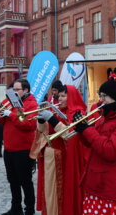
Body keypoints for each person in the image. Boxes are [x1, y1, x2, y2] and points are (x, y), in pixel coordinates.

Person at [74, 67, 116, 215]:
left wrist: (87, 130)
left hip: (108, 185)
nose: (101, 100)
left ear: (115, 97)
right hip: (95, 181)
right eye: (100, 95)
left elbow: (111, 151)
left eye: (104, 96)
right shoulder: (106, 117)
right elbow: (92, 144)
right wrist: (81, 130)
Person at [33, 85, 88, 215]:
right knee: (50, 191)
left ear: (72, 97)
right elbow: (43, 132)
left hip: (67, 160)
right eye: (59, 96)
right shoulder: (56, 110)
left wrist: (52, 120)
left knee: (64, 191)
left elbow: (70, 135)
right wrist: (41, 121)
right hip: (51, 157)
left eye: (64, 96)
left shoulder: (79, 113)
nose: (60, 99)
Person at [0, 78, 38, 215]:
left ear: (26, 90)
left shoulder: (32, 104)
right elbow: (4, 123)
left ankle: (29, 210)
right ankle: (16, 208)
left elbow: (29, 125)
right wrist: (1, 114)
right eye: (13, 90)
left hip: (23, 149)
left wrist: (12, 114)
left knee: (25, 181)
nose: (14, 92)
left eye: (17, 90)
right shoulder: (10, 102)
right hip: (9, 148)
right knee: (12, 180)